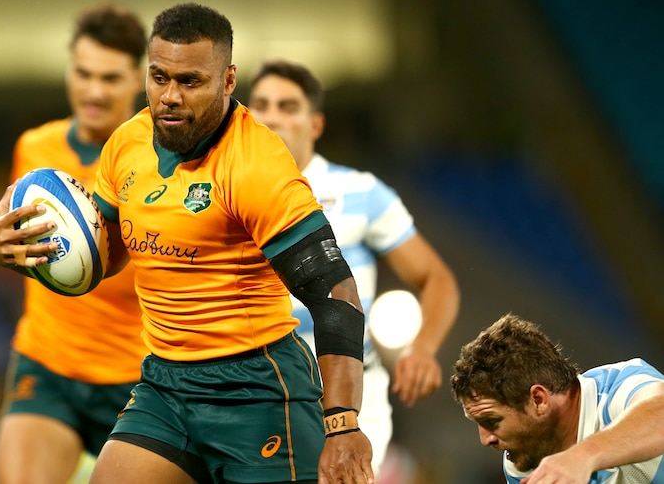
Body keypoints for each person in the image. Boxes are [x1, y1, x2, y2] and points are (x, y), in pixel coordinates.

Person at [0, 3, 375, 484]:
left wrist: (343, 423)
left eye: (189, 81)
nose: (168, 96)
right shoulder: (127, 144)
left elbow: (336, 296)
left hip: (257, 390)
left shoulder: (257, 165)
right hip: (164, 384)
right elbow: (100, 259)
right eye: (159, 76)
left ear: (228, 81)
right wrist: (19, 254)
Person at [0, 5, 147, 484]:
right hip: (48, 364)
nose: (95, 91)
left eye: (111, 77)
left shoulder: (162, 159)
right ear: (68, 70)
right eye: (83, 73)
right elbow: (27, 241)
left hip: (140, 381)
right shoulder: (34, 149)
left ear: (140, 78)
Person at [248, 59, 460, 476]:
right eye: (262, 104)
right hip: (259, 390)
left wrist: (423, 347)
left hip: (348, 395)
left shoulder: (360, 191)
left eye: (288, 107)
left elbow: (436, 278)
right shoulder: (223, 190)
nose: (272, 117)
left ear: (316, 124)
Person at [451, 313, 664, 484]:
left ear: (538, 400)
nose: (486, 439)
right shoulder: (525, 463)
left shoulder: (620, 388)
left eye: (492, 421)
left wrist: (582, 456)